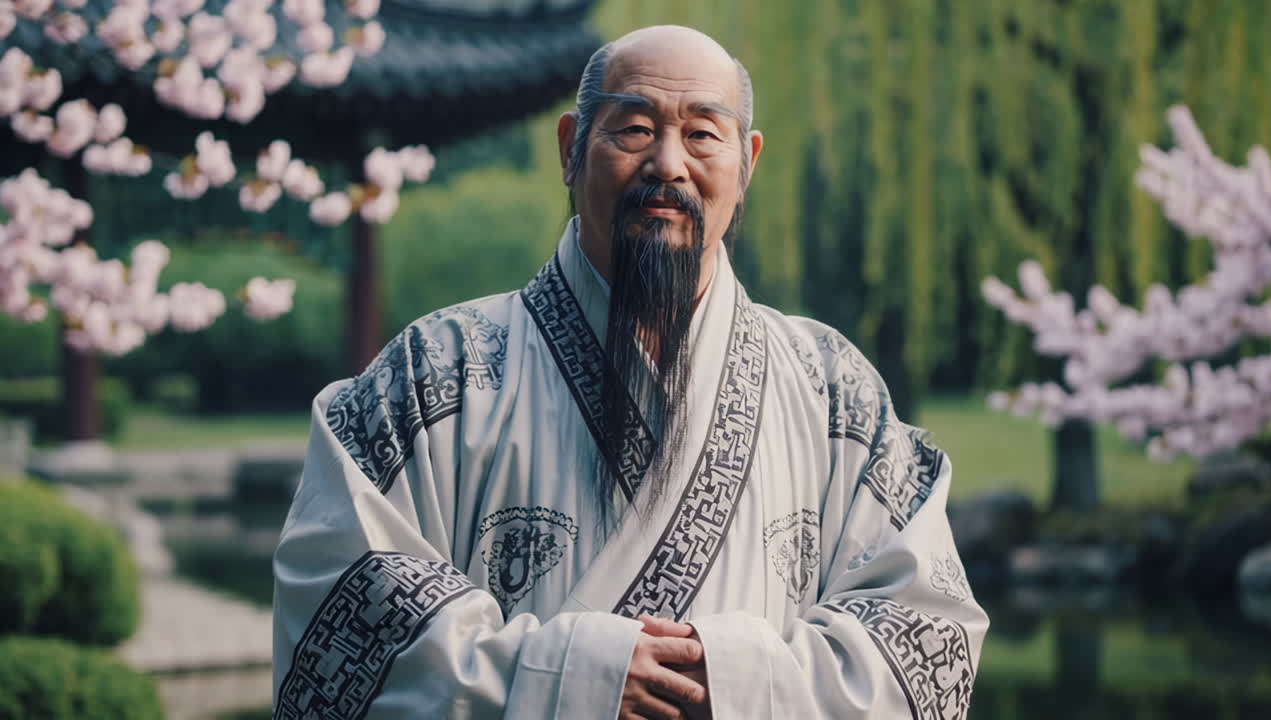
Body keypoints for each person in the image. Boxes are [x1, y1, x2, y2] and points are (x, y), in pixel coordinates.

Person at [272, 25, 987, 720]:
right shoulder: (436, 372)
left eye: (704, 133)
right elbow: (340, 618)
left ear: (748, 164)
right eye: (635, 129)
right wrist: (582, 677)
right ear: (570, 150)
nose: (668, 164)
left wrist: (734, 678)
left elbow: (925, 635)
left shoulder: (834, 391)